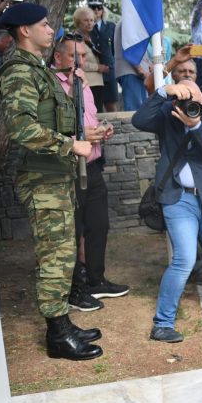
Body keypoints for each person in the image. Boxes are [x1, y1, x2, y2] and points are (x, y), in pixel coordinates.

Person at [0, 2, 101, 361]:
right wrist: (71, 145)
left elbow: (51, 119)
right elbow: (22, 129)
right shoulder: (18, 72)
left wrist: (85, 135)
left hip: (54, 175)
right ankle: (57, 336)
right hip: (42, 178)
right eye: (43, 24)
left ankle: (63, 323)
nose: (49, 28)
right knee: (55, 256)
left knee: (63, 253)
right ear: (24, 30)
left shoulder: (37, 69)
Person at [131, 76, 202, 343]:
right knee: (184, 260)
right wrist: (163, 91)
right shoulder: (167, 115)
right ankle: (163, 324)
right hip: (178, 198)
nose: (190, 103)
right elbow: (138, 120)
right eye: (184, 98)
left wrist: (196, 126)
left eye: (194, 97)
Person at [50, 35, 131, 305]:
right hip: (68, 168)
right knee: (72, 230)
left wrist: (101, 131)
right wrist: (82, 136)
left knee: (99, 224)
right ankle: (75, 289)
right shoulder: (51, 85)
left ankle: (96, 281)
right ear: (58, 57)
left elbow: (89, 121)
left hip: (93, 164)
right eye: (75, 56)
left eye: (84, 56)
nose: (81, 61)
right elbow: (51, 130)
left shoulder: (83, 82)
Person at [145, 44, 202, 108]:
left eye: (191, 72)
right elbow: (149, 84)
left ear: (196, 76)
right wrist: (175, 61)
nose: (187, 74)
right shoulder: (166, 92)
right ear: (173, 75)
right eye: (182, 71)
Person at [71, 6, 110, 106]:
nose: (89, 23)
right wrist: (98, 67)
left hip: (97, 83)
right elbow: (76, 63)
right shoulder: (75, 39)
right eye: (85, 20)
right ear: (78, 22)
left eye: (92, 20)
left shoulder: (90, 38)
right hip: (87, 83)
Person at [112, 20, 153, 112]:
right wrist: (141, 70)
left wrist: (148, 64)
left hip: (136, 72)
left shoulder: (132, 20)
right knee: (134, 111)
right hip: (132, 72)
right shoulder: (129, 20)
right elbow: (130, 49)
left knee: (140, 109)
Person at [88, 0, 119, 112]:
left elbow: (115, 49)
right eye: (93, 7)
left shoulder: (111, 26)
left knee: (111, 106)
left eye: (99, 7)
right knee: (96, 107)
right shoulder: (86, 28)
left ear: (103, 10)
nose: (96, 10)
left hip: (109, 70)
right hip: (93, 72)